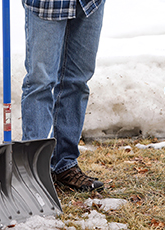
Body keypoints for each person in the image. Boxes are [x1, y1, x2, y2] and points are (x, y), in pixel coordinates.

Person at [21, 0, 105, 192]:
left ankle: (65, 165)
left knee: (77, 82)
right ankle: (35, 170)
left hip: (89, 4)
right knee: (40, 83)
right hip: (48, 4)